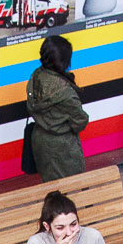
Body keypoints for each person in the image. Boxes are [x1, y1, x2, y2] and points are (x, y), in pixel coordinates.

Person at [22, 34, 89, 182]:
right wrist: (63, 125)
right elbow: (81, 120)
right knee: (74, 187)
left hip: (40, 141)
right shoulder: (65, 92)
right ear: (64, 62)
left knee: (50, 186)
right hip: (63, 147)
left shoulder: (36, 76)